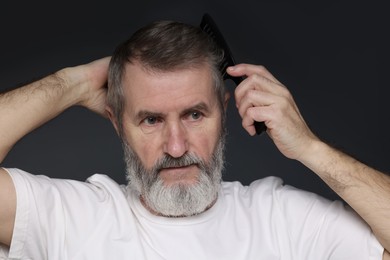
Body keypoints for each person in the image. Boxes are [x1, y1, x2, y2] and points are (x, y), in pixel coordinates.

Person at [0, 19, 389, 260]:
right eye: (151, 119)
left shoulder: (282, 219)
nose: (176, 146)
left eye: (194, 115)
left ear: (224, 112)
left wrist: (310, 147)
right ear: (118, 124)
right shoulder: (70, 218)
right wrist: (73, 83)